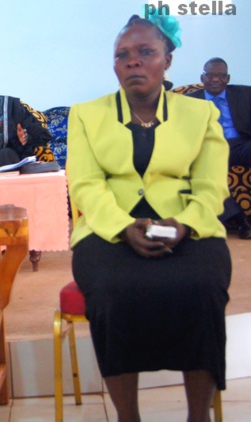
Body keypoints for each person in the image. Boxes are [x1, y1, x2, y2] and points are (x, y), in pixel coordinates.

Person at [67, 13, 231, 422]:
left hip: (186, 226)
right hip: (108, 229)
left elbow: (212, 186)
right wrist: (123, 227)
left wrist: (186, 224)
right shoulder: (87, 115)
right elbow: (85, 184)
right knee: (111, 291)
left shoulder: (201, 115)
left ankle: (199, 416)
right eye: (123, 55)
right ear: (114, 65)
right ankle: (128, 417)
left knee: (203, 287)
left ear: (167, 60)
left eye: (145, 52)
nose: (133, 62)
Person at [187, 57, 251, 239]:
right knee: (200, 170)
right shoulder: (189, 102)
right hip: (208, 148)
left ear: (228, 79)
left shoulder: (244, 94)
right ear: (202, 78)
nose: (215, 80)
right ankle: (242, 221)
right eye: (210, 75)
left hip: (240, 144)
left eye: (221, 76)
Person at [0, 94, 52, 167]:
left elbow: (40, 134)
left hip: (5, 162)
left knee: (6, 154)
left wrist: (26, 137)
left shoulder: (9, 106)